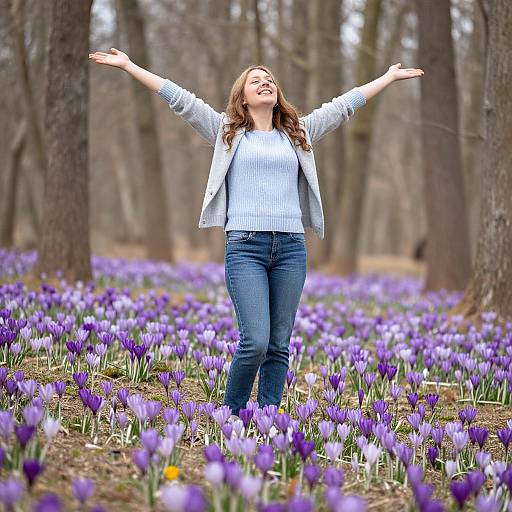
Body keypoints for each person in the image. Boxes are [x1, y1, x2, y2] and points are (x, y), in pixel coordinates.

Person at [89, 48, 424, 416]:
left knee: (279, 343)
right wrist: (129, 65)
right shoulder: (226, 132)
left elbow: (345, 106)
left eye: (270, 80)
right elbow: (180, 99)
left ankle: (266, 420)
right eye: (256, 80)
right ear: (243, 97)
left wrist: (389, 78)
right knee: (256, 342)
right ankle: (231, 414)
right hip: (245, 247)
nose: (266, 83)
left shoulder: (299, 133)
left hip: (291, 247)